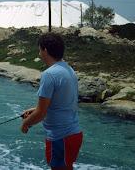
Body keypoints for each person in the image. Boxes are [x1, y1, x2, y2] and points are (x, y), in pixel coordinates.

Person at [21, 32, 82, 170]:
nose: (38, 53)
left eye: (39, 49)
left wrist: (26, 123)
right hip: (74, 134)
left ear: (45, 50)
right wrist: (34, 110)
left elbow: (41, 113)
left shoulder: (49, 74)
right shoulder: (68, 69)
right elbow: (61, 103)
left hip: (61, 137)